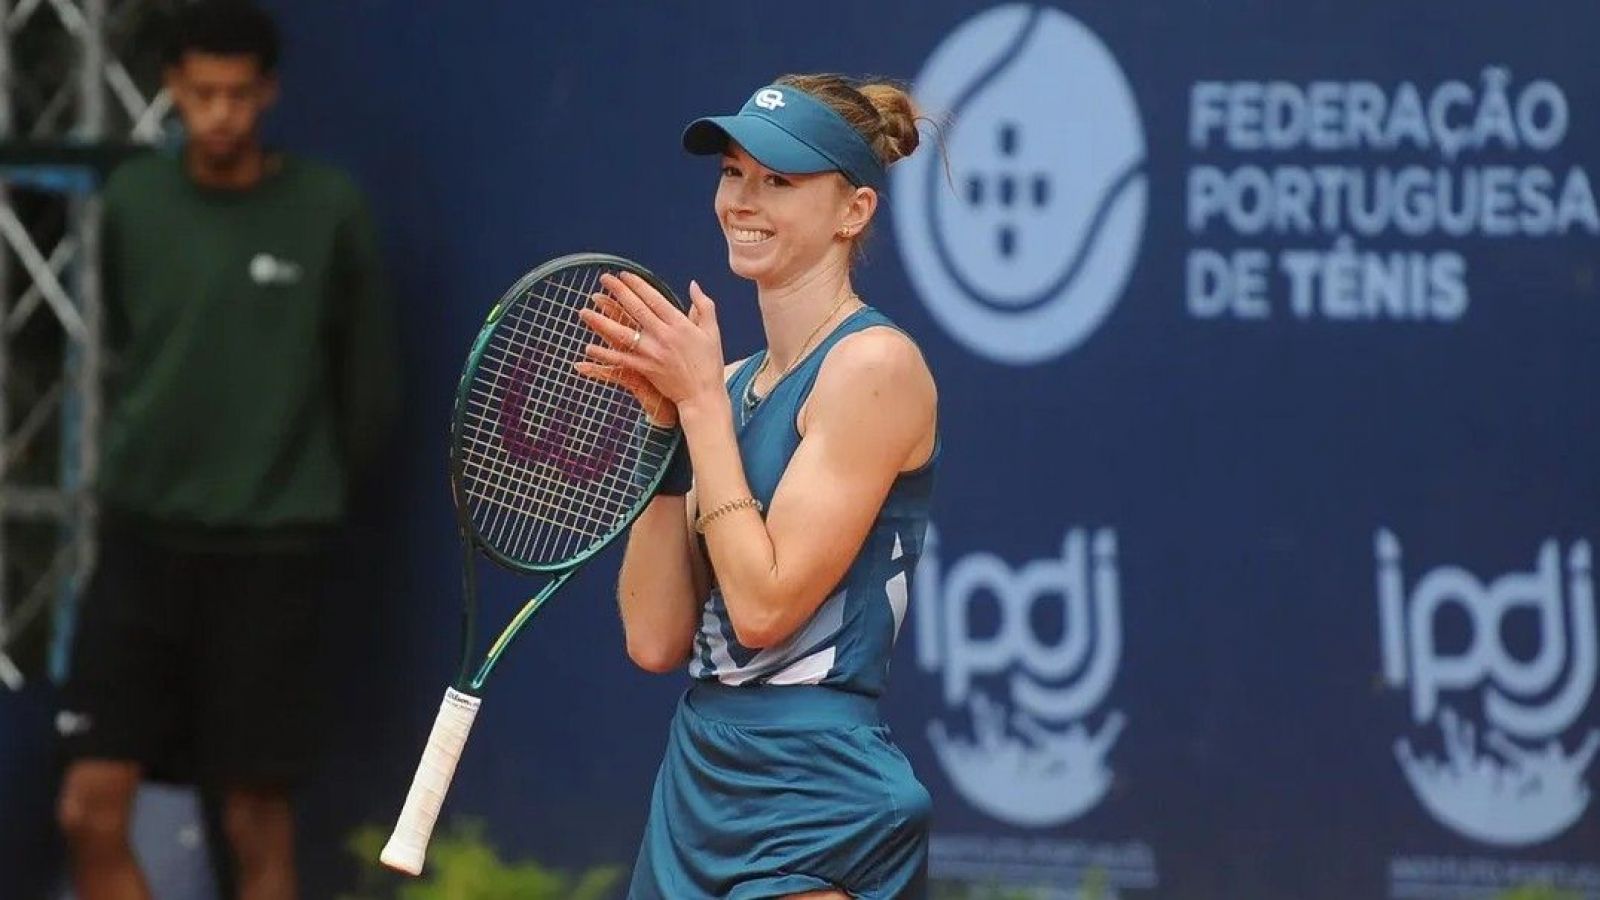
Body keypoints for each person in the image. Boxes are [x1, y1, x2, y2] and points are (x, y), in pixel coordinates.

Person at [53, 3, 398, 899]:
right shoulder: (135, 202)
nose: (220, 114)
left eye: (239, 95)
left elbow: (366, 389)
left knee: (254, 819)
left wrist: (292, 490)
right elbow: (129, 339)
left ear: (268, 92)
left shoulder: (327, 209)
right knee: (89, 808)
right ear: (172, 88)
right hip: (141, 547)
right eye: (202, 93)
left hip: (271, 558)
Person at [576, 74, 939, 899]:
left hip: (815, 796)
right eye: (733, 172)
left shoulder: (874, 366)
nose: (743, 200)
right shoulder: (729, 383)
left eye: (779, 180)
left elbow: (766, 609)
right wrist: (667, 431)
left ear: (854, 211)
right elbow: (655, 640)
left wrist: (700, 406)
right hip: (698, 780)